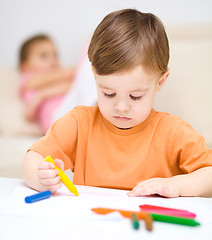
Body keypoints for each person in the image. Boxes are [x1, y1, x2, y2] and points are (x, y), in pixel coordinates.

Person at [22, 9, 212, 198]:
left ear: (160, 82)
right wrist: (40, 177)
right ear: (94, 76)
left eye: (135, 96)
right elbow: (33, 157)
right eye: (109, 93)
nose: (121, 107)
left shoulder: (174, 132)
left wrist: (176, 185)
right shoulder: (79, 123)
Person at [19, 35, 97, 133]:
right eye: (44, 56)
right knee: (89, 64)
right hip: (56, 121)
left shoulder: (57, 81)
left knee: (88, 76)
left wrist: (43, 94)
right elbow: (28, 116)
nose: (53, 60)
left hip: (69, 112)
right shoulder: (28, 79)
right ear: (25, 67)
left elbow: (73, 86)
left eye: (55, 55)